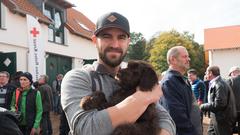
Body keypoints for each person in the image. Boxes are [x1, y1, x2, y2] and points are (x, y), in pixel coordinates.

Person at [61, 12, 176, 135]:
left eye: (121, 37)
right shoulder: (78, 77)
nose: (115, 44)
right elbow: (87, 129)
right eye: (106, 36)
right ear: (94, 40)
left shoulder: (138, 77)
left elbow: (166, 120)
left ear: (128, 42)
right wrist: (145, 97)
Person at [160, 46, 202, 135]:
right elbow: (177, 117)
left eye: (188, 56)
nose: (189, 59)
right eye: (185, 56)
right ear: (173, 60)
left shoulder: (182, 79)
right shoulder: (169, 82)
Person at [200, 66, 237, 135]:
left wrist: (203, 106)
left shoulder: (219, 84)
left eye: (206, 72)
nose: (205, 74)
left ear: (210, 73)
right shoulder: (216, 83)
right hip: (216, 117)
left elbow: (220, 104)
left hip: (223, 119)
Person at [226, 66, 240, 133]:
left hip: (232, 110)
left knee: (229, 129)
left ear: (233, 73)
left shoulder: (230, 80)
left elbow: (225, 95)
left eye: (230, 74)